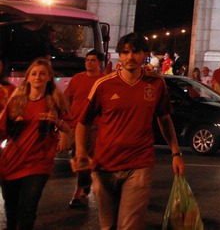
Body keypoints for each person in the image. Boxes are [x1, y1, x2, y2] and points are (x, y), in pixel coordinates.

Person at [72, 32, 185, 230]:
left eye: (135, 52)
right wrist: (81, 152)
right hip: (104, 165)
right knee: (108, 226)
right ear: (119, 55)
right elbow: (83, 122)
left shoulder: (157, 84)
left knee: (130, 225)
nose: (130, 57)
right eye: (124, 53)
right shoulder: (103, 85)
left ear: (145, 55)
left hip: (139, 164)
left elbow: (164, 119)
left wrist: (176, 152)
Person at [0, 57, 72, 230]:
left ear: (49, 77)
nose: (38, 77)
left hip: (38, 163)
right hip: (11, 162)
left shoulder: (55, 102)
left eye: (42, 73)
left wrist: (58, 124)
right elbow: (2, 131)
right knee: (12, 213)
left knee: (28, 210)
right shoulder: (16, 101)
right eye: (34, 73)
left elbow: (70, 127)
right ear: (28, 77)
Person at [64, 50, 103, 209]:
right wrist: (67, 117)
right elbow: (67, 98)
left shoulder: (102, 81)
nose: (89, 63)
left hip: (94, 126)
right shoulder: (77, 79)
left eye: (93, 60)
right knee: (78, 156)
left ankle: (79, 192)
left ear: (99, 62)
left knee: (86, 158)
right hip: (76, 125)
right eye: (87, 60)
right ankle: (85, 186)